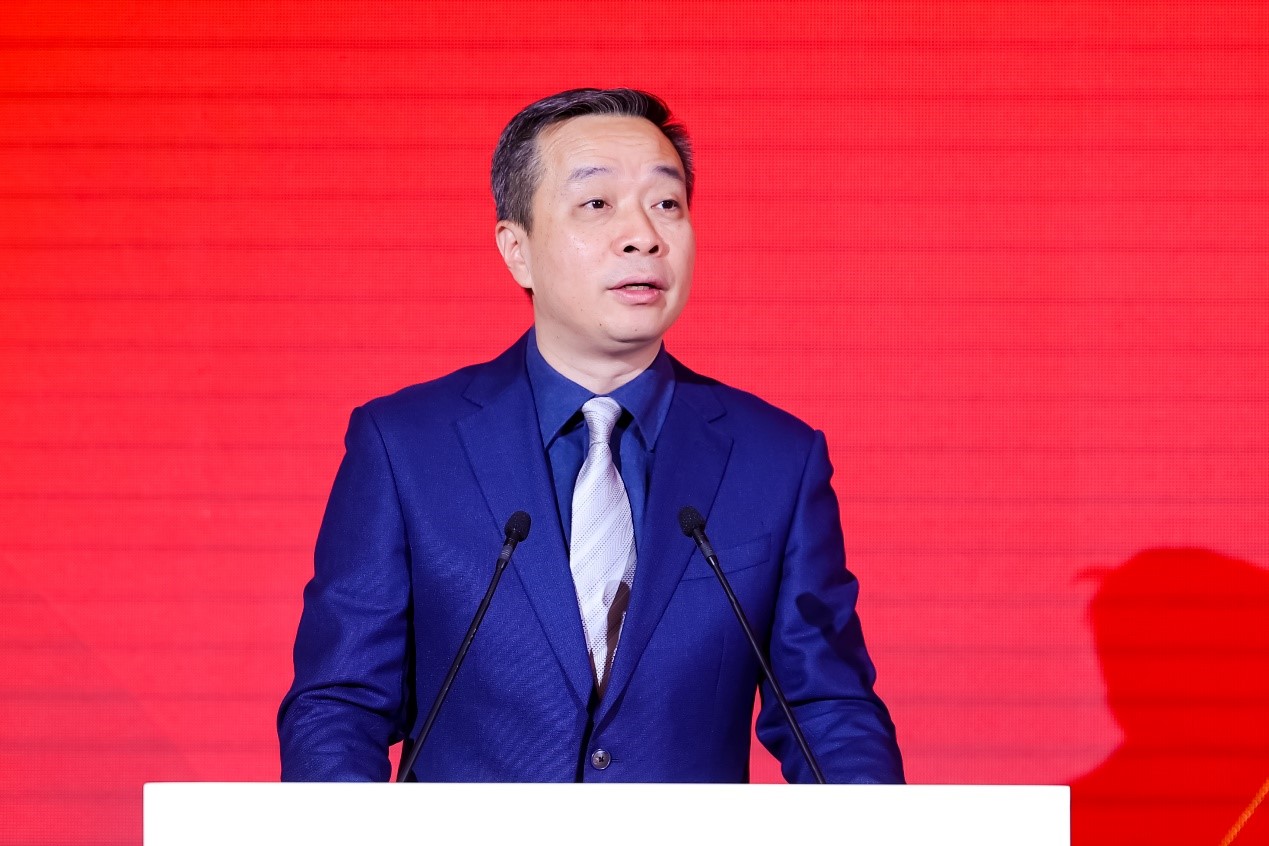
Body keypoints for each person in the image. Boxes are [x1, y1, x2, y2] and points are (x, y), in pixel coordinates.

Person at [278, 88, 904, 783]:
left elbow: (826, 710)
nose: (644, 235)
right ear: (517, 251)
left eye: (666, 204)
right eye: (597, 203)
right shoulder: (406, 447)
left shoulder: (775, 460)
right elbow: (340, 705)